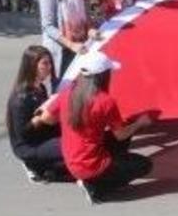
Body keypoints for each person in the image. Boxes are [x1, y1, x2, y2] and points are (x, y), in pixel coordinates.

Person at [56, 51, 153, 203]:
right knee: (144, 165)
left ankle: (96, 178)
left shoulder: (67, 92)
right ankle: (97, 186)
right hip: (90, 165)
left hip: (71, 159)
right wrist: (140, 123)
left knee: (124, 131)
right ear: (103, 76)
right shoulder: (104, 101)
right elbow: (120, 135)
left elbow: (48, 116)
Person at [5, 46, 68, 182]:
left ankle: (47, 165)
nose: (49, 67)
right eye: (45, 63)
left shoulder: (40, 88)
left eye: (50, 62)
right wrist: (41, 117)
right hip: (29, 146)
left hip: (42, 136)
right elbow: (23, 133)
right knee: (71, 150)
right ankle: (35, 165)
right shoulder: (21, 97)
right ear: (32, 66)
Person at [39, 0, 88, 79]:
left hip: (80, 46)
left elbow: (83, 14)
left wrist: (91, 29)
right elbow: (48, 26)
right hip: (64, 50)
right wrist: (70, 44)